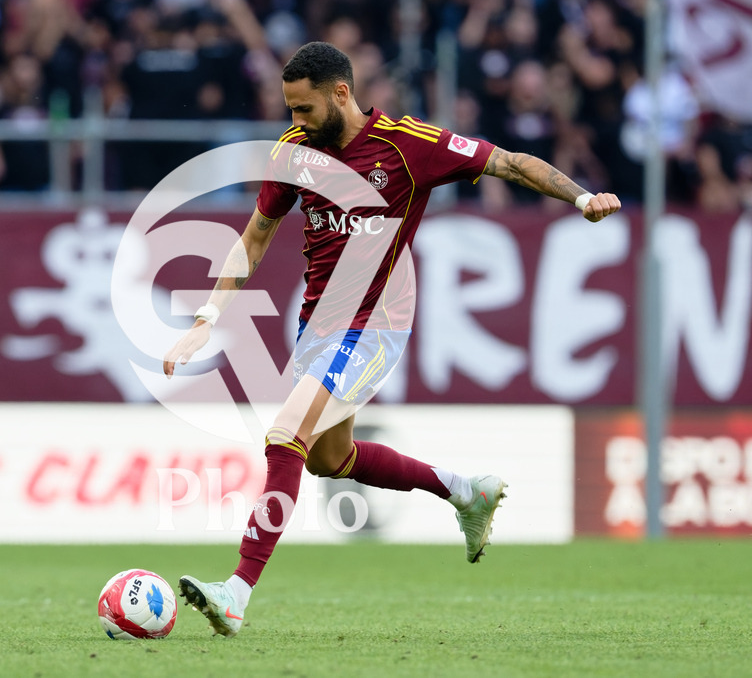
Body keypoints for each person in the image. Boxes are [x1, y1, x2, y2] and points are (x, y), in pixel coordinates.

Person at [162, 41, 622, 638]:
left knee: (284, 434)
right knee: (329, 459)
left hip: (372, 324)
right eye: (289, 111)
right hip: (317, 326)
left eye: (304, 110)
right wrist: (205, 318)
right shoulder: (294, 153)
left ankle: (237, 592)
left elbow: (509, 163)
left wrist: (582, 198)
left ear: (341, 93)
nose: (294, 123)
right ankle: (464, 491)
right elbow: (254, 237)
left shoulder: (409, 146)